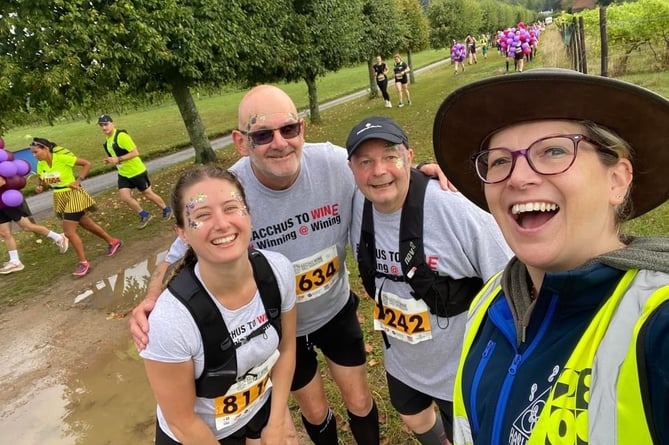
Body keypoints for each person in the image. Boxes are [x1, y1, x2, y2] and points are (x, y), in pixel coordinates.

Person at [133, 85, 381, 445]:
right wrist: (152, 297)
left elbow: (381, 175)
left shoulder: (332, 163)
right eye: (262, 135)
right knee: (313, 411)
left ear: (302, 129)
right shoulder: (227, 191)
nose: (279, 143)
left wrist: (424, 175)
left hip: (333, 311)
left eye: (289, 129)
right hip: (279, 328)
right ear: (241, 141)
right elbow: (179, 252)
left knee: (358, 399)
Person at [432, 69, 669, 444]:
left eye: (554, 150)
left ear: (618, 180)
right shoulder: (489, 305)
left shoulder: (659, 327)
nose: (517, 177)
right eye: (499, 161)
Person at [346, 117, 512, 445]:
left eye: (390, 157)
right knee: (412, 415)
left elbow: (510, 277)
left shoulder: (455, 209)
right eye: (365, 161)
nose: (378, 171)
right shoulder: (355, 205)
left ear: (409, 156)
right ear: (351, 168)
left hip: (462, 368)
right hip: (403, 360)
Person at [140, 165, 298, 445]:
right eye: (202, 216)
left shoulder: (278, 271)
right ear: (183, 233)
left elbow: (286, 349)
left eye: (231, 208)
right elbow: (182, 421)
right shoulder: (170, 322)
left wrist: (276, 423)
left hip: (258, 410)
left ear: (248, 213)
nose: (222, 224)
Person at [30, 137, 122, 276]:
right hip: (60, 196)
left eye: (36, 152)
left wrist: (78, 180)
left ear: (46, 149)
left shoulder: (61, 158)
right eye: (33, 153)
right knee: (87, 225)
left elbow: (87, 164)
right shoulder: (41, 164)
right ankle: (113, 242)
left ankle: (84, 263)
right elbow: (42, 177)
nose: (34, 155)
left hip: (73, 195)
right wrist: (40, 186)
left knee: (68, 232)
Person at [98, 114, 172, 229]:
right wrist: (110, 160)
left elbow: (135, 153)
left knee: (147, 193)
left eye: (106, 124)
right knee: (124, 197)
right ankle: (144, 215)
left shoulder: (121, 136)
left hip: (136, 171)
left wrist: (118, 159)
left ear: (113, 124)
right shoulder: (107, 141)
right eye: (101, 125)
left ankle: (166, 209)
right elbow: (116, 156)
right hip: (123, 174)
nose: (104, 127)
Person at [0, 179, 69, 274]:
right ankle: (15, 261)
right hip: (0, 206)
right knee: (4, 233)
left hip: (8, 201)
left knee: (27, 227)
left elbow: (2, 182)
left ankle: (59, 237)